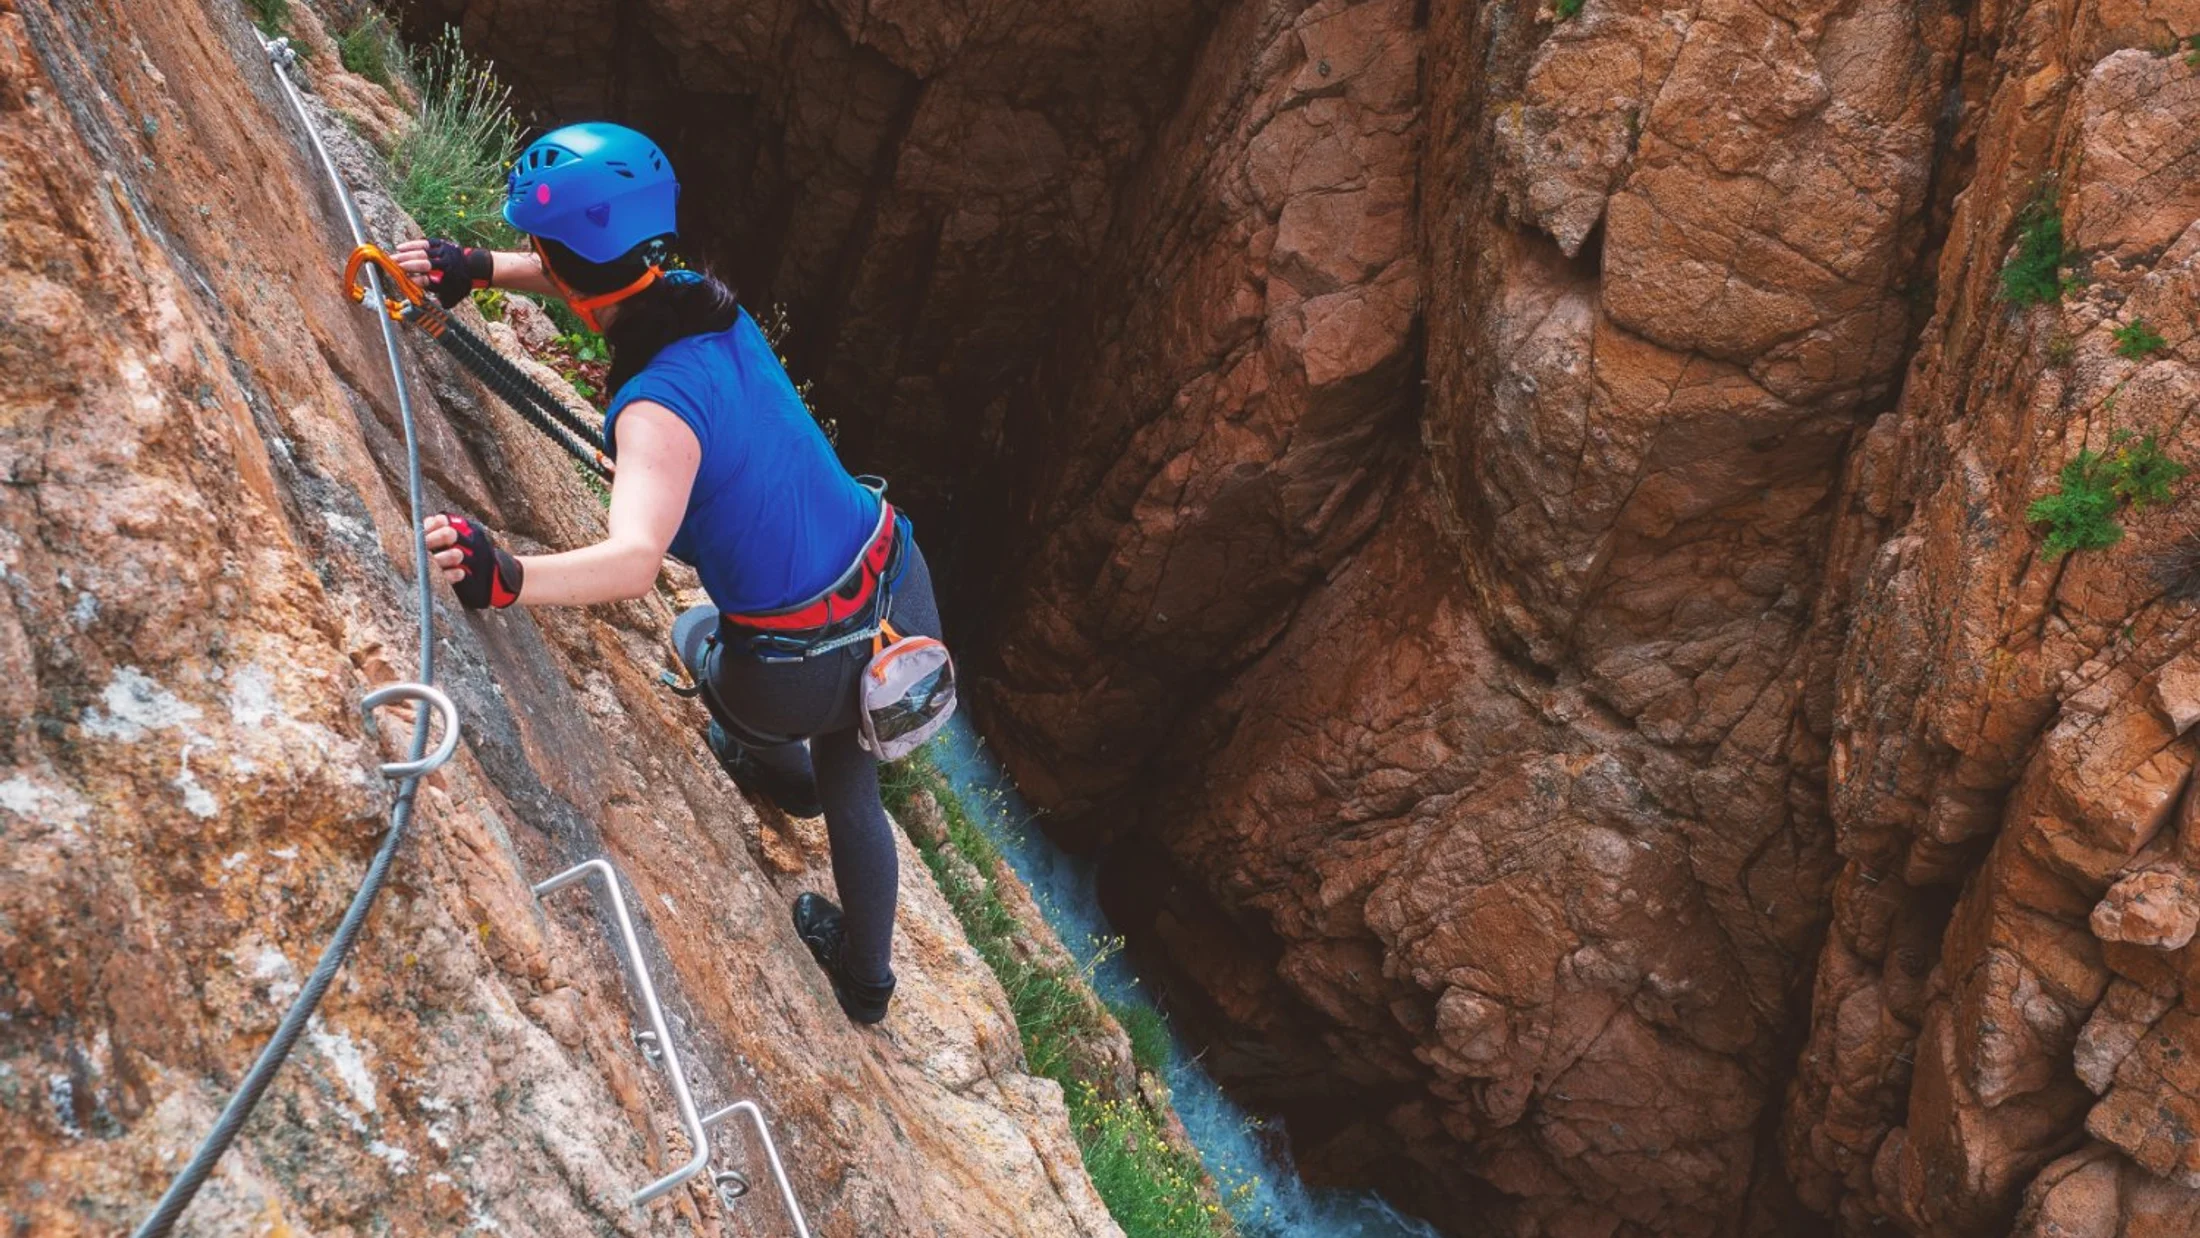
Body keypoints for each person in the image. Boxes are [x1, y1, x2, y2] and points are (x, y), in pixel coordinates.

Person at [398, 122, 929, 1025]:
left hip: (792, 673)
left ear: (562, 260)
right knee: (854, 777)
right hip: (901, 591)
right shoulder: (700, 300)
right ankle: (867, 983)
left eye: (536, 249)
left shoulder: (654, 411)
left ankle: (782, 768)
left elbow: (637, 559)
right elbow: (591, 284)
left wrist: (509, 576)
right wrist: (481, 269)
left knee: (696, 635)